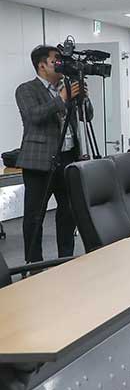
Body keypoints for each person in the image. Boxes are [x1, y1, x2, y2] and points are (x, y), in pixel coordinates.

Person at [15, 45, 94, 263]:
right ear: (42, 65)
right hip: (39, 162)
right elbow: (34, 116)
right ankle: (34, 264)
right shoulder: (26, 89)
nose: (61, 65)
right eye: (56, 61)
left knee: (68, 212)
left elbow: (87, 117)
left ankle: (64, 260)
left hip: (68, 158)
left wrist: (83, 98)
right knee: (34, 216)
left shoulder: (67, 86)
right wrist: (61, 98)